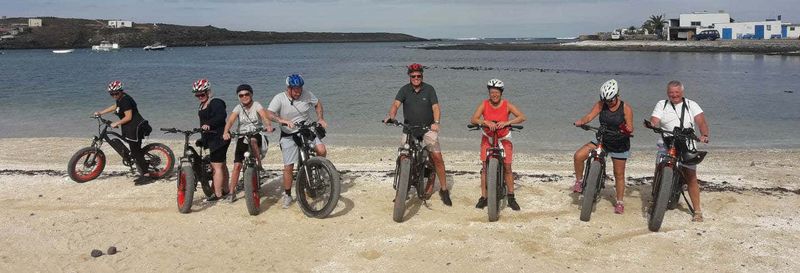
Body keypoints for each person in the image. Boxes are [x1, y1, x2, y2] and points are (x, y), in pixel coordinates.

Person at [383, 63, 452, 206]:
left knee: (437, 158)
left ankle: (444, 190)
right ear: (409, 76)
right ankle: (402, 190)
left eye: (418, 76)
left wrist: (436, 122)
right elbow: (396, 105)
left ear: (422, 76)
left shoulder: (429, 89)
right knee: (403, 157)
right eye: (413, 76)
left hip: (427, 128)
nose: (416, 78)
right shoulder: (404, 90)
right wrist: (391, 116)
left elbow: (435, 107)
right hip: (409, 129)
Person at [648, 80, 709, 222]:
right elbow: (655, 119)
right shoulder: (662, 104)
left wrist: (704, 135)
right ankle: (654, 199)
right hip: (667, 141)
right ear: (667, 93)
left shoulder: (691, 104)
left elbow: (701, 122)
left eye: (677, 92)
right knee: (659, 168)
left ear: (682, 92)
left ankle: (697, 211)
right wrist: (652, 124)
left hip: (687, 142)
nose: (674, 95)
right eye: (671, 93)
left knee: (691, 176)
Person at [267, 74, 328, 209]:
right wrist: (282, 121)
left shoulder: (307, 94)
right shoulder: (279, 98)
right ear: (288, 88)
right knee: (289, 166)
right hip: (289, 134)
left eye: (300, 89)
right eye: (295, 89)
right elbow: (269, 113)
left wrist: (320, 118)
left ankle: (320, 167)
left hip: (306, 129)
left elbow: (317, 104)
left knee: (322, 150)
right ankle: (288, 194)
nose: (298, 92)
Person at [572, 79, 633, 214]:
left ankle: (619, 202)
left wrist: (626, 129)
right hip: (603, 138)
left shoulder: (625, 108)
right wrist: (581, 121)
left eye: (610, 100)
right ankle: (579, 181)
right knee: (578, 156)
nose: (608, 102)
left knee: (619, 174)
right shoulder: (601, 104)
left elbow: (630, 127)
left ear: (617, 95)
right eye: (605, 100)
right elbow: (589, 116)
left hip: (619, 143)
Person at [469, 79, 526, 210]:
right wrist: (485, 122)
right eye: (492, 92)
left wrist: (506, 123)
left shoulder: (507, 105)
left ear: (501, 93)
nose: (494, 95)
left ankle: (511, 196)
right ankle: (484, 197)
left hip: (504, 138)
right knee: (484, 167)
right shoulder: (484, 104)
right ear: (489, 93)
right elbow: (473, 119)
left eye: (497, 92)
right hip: (488, 137)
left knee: (507, 167)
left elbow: (522, 117)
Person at [92, 80, 153, 184]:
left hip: (135, 127)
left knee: (135, 151)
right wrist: (101, 112)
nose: (114, 95)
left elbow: (128, 117)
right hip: (129, 127)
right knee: (134, 149)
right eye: (112, 94)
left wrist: (116, 123)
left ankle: (147, 176)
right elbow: (115, 106)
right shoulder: (120, 98)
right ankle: (138, 163)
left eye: (116, 93)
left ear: (121, 91)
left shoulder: (126, 100)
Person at [222, 84, 274, 203]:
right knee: (237, 166)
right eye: (241, 95)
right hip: (242, 134)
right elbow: (230, 120)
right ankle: (231, 193)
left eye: (246, 94)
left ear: (251, 94)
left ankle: (259, 164)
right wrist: (225, 132)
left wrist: (268, 126)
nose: (244, 97)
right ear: (238, 97)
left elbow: (264, 116)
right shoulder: (238, 108)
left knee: (253, 140)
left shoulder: (257, 105)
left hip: (256, 133)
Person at [192, 79, 231, 202]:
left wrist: (209, 124)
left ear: (208, 91)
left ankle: (218, 195)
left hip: (219, 138)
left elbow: (221, 117)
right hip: (212, 138)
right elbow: (203, 124)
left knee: (216, 167)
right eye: (197, 95)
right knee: (222, 165)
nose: (199, 97)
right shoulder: (203, 104)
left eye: (202, 94)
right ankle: (226, 189)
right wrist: (203, 139)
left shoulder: (216, 102)